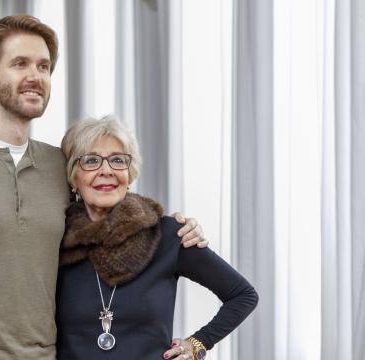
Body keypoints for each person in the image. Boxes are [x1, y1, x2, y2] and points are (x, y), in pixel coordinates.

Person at [0, 15, 206, 360]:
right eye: (20, 64)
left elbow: (112, 211)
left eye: (44, 67)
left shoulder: (59, 165)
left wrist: (178, 227)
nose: (35, 77)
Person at [54, 116, 259, 360]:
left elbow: (243, 295)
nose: (106, 170)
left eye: (118, 160)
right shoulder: (54, 241)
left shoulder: (169, 235)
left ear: (129, 175)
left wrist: (197, 345)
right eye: (91, 161)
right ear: (73, 178)